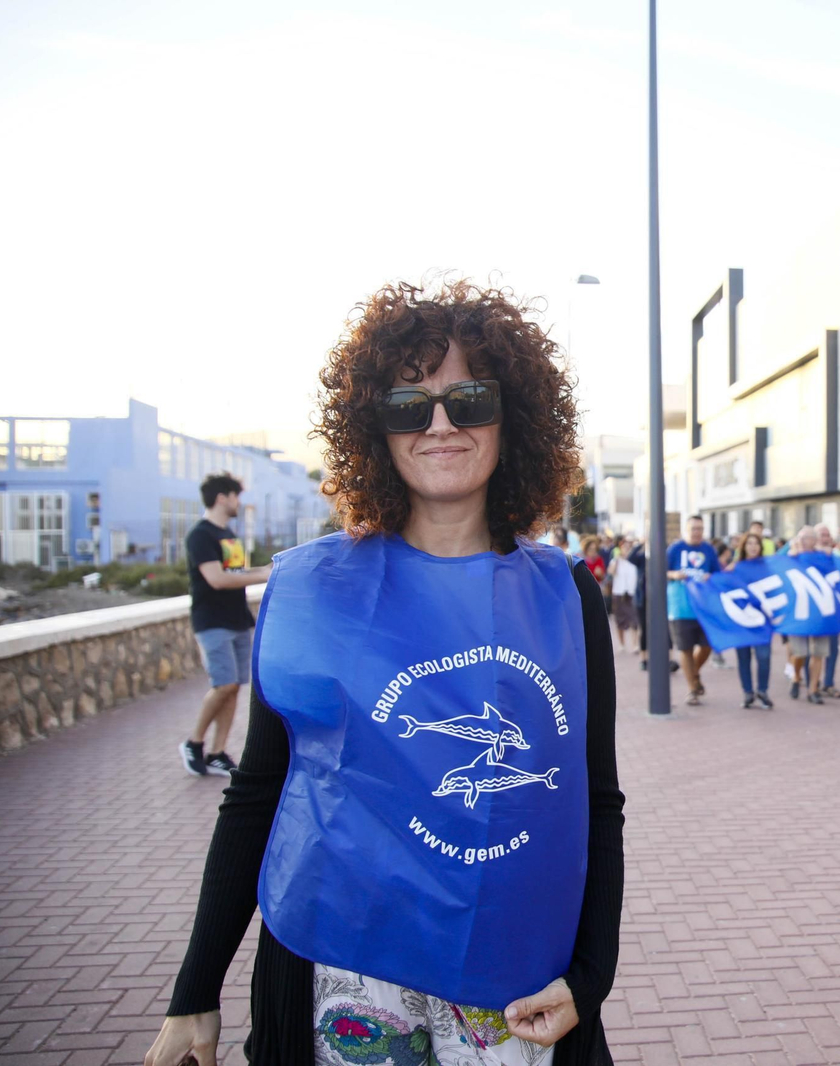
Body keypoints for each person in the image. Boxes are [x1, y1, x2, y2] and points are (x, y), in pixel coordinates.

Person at [144, 280, 624, 1066]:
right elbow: (260, 790)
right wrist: (196, 991)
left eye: (468, 399)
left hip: (517, 992)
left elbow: (596, 804)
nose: (439, 424)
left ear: (514, 416)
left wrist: (590, 978)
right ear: (375, 425)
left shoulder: (567, 595)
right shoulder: (311, 590)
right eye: (409, 404)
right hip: (339, 972)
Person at [179, 473, 272, 778]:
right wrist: (263, 576)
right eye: (235, 496)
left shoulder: (228, 534)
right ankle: (194, 743)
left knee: (234, 689)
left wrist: (271, 569)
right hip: (212, 621)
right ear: (222, 497)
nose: (238, 502)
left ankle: (217, 753)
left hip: (237, 619)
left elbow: (237, 571)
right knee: (224, 685)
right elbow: (217, 579)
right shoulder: (200, 536)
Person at [666, 516, 719, 706]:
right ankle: (692, 690)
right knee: (685, 648)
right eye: (694, 528)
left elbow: (717, 574)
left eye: (700, 529)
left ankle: (694, 673)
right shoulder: (675, 549)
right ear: (685, 530)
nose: (697, 532)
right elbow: (661, 571)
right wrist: (674, 574)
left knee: (707, 645)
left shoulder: (708, 550)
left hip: (704, 608)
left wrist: (709, 577)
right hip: (680, 607)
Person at [785, 527, 831, 704]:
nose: (804, 541)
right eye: (802, 538)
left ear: (815, 540)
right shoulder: (791, 557)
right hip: (798, 612)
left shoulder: (822, 557)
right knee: (800, 652)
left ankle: (813, 690)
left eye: (809, 538)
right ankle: (796, 676)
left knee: (818, 652)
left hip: (820, 611)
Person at [730, 532, 776, 708]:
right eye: (749, 543)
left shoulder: (767, 567)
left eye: (756, 543)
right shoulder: (736, 568)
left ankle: (762, 690)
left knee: (764, 656)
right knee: (743, 657)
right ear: (743, 547)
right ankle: (748, 692)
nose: (753, 546)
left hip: (762, 619)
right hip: (742, 619)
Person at [811, 523, 840, 698]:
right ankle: (812, 684)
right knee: (813, 649)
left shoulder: (836, 558)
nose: (825, 538)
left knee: (833, 649)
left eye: (827, 535)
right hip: (813, 611)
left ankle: (828, 683)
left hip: (832, 611)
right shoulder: (807, 556)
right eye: (822, 535)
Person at [607, 535, 640, 653]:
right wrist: (616, 559)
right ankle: (622, 644)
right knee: (619, 619)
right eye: (624, 546)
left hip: (631, 592)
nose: (626, 548)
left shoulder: (635, 560)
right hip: (619, 592)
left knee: (634, 620)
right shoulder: (616, 560)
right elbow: (610, 572)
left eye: (629, 546)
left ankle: (635, 644)